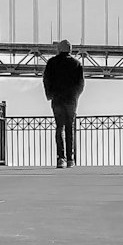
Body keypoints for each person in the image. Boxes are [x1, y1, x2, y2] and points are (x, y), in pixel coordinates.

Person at [42, 39, 84, 168]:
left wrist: (50, 94)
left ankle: (61, 158)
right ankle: (71, 159)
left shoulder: (51, 62)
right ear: (70, 50)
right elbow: (81, 83)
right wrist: (76, 96)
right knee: (70, 128)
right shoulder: (76, 63)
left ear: (59, 49)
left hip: (57, 99)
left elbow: (46, 79)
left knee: (59, 127)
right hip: (71, 99)